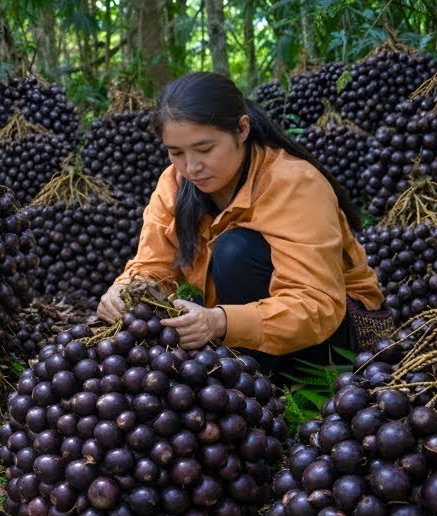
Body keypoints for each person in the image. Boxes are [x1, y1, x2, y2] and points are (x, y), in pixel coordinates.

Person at [97, 72, 388, 379]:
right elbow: (152, 266)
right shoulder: (174, 183)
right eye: (176, 153)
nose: (191, 167)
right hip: (241, 313)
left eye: (205, 149)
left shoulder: (294, 183)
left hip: (337, 330)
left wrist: (220, 322)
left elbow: (317, 305)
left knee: (234, 251)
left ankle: (264, 385)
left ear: (242, 129)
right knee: (177, 313)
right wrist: (126, 289)